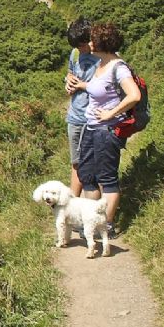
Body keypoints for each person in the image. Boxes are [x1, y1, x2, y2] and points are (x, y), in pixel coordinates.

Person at [72, 22, 141, 237]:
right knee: (87, 175)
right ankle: (92, 221)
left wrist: (111, 114)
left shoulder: (117, 67)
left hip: (107, 131)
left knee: (107, 178)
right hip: (92, 128)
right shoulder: (101, 64)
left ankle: (107, 225)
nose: (89, 43)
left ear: (103, 43)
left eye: (93, 39)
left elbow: (134, 95)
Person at [64, 17, 97, 196]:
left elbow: (109, 87)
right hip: (75, 116)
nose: (81, 50)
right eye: (77, 47)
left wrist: (82, 86)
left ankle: (95, 213)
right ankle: (73, 204)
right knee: (76, 163)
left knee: (94, 165)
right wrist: (68, 81)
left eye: (83, 45)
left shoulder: (104, 55)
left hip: (96, 119)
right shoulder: (75, 54)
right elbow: (70, 73)